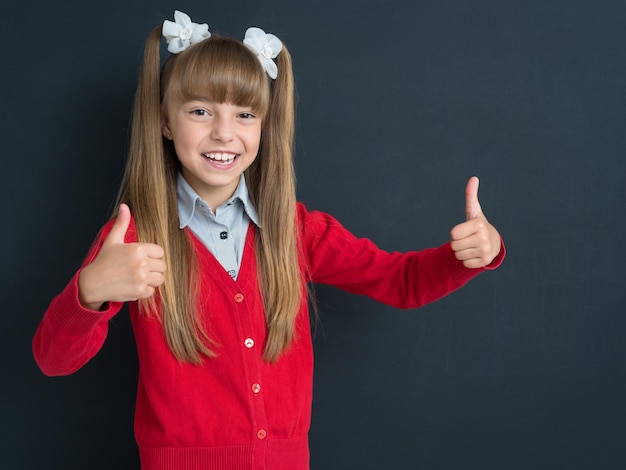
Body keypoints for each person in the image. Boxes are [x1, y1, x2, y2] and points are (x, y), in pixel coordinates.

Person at [33, 10, 505, 470]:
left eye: (244, 114)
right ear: (164, 121)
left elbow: (401, 281)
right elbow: (53, 360)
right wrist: (89, 292)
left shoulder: (296, 230)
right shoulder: (133, 236)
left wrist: (468, 258)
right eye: (200, 111)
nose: (224, 132)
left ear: (264, 125)